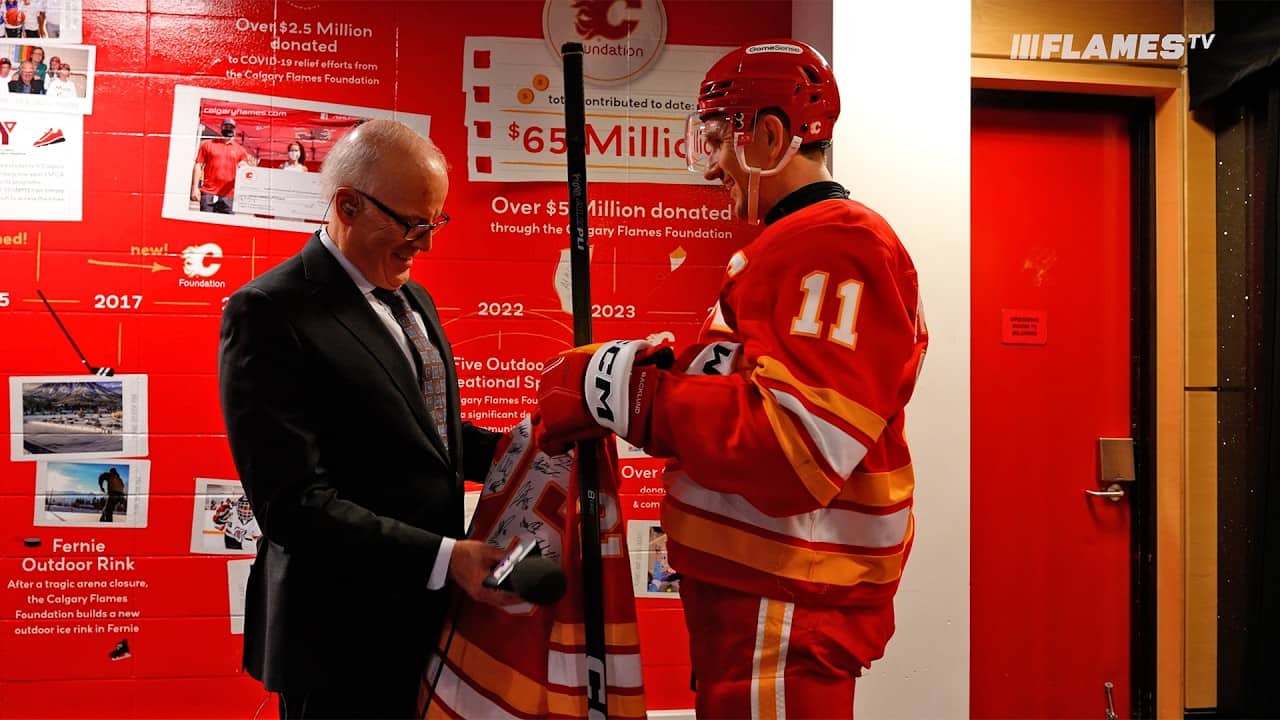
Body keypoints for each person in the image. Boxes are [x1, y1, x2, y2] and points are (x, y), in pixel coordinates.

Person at [535, 39, 928, 719]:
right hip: (764, 597)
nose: (710, 162)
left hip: (784, 600)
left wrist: (629, 394)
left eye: (718, 137)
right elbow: (763, 390)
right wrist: (663, 371)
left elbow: (793, 447)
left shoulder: (833, 246)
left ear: (771, 135)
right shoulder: (798, 244)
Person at [219, 118, 515, 720]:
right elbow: (292, 504)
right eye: (412, 224)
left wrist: (526, 450)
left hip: (423, 624)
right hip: (336, 640)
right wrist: (445, 557)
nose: (426, 243)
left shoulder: (413, 298)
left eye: (436, 222)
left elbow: (422, 435)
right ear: (347, 205)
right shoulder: (270, 311)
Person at [191, 116, 255, 214]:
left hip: (229, 195)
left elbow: (245, 169)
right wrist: (195, 188)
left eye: (231, 127)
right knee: (205, 225)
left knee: (225, 227)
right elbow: (198, 165)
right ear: (221, 128)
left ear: (234, 130)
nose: (228, 129)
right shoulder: (207, 144)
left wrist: (244, 167)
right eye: (226, 126)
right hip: (208, 193)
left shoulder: (240, 150)